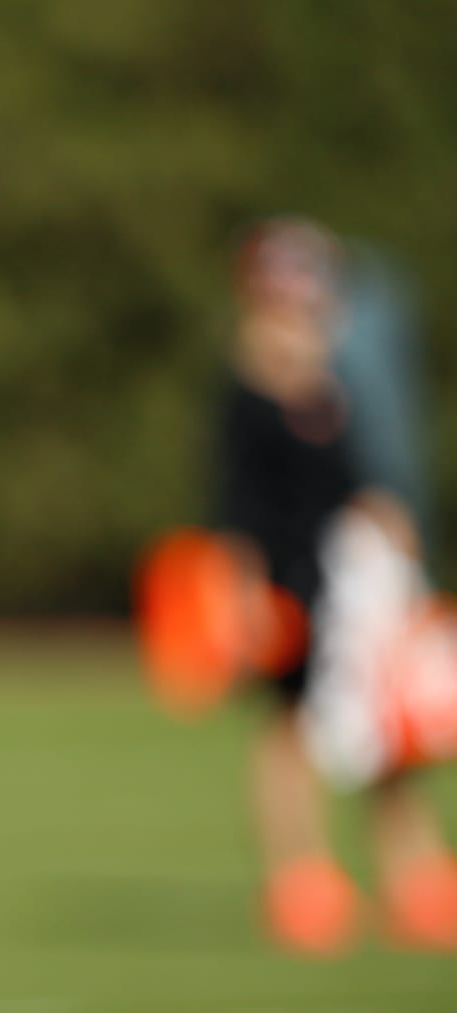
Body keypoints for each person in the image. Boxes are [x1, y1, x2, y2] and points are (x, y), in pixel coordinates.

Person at [212, 216, 456, 955]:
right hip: (290, 581)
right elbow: (234, 501)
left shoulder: (334, 383)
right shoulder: (247, 390)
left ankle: (412, 874)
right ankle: (301, 877)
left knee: (389, 736)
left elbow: (353, 478)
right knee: (289, 728)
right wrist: (246, 584)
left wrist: (383, 513)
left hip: (355, 584)